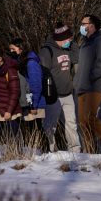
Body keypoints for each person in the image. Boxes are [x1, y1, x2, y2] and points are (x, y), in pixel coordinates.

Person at [75, 14, 101, 154]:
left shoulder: (100, 41)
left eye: (83, 23)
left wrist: (90, 77)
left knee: (90, 117)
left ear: (91, 26)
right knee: (82, 121)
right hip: (82, 87)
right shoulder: (85, 42)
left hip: (95, 86)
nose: (81, 25)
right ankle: (89, 149)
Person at [39, 23, 80, 152]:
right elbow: (43, 72)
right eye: (68, 39)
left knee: (71, 124)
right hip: (54, 96)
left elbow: (76, 58)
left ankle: (75, 150)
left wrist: (72, 43)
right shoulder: (47, 50)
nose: (70, 41)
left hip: (68, 94)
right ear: (60, 38)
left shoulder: (67, 49)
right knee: (50, 126)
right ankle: (49, 150)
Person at [8, 37, 46, 124]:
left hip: (34, 104)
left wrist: (34, 106)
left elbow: (36, 85)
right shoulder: (21, 62)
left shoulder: (31, 63)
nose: (11, 51)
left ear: (21, 48)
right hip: (27, 104)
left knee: (35, 130)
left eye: (13, 49)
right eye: (10, 49)